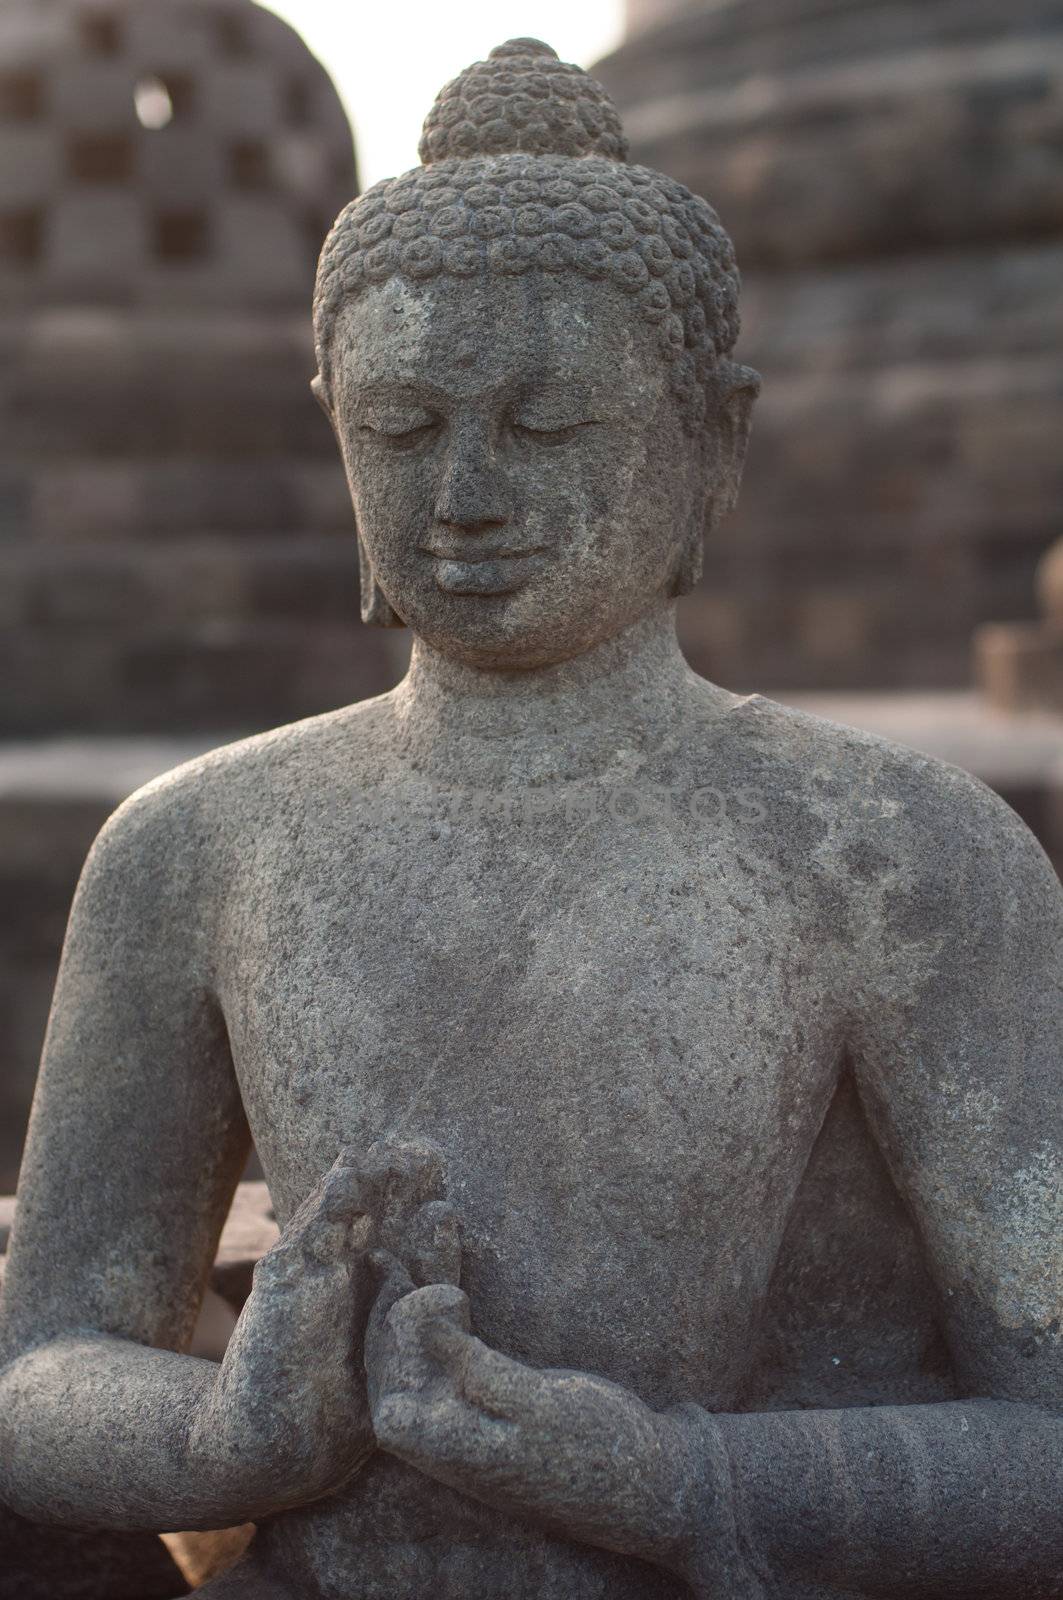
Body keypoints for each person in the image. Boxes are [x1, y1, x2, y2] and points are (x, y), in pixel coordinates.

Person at [1, 40, 1060, 1600]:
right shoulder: (199, 847)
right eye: (402, 429)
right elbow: (43, 1365)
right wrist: (220, 1443)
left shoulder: (896, 858)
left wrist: (677, 1477)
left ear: (715, 439)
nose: (468, 497)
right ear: (333, 428)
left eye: (551, 425)